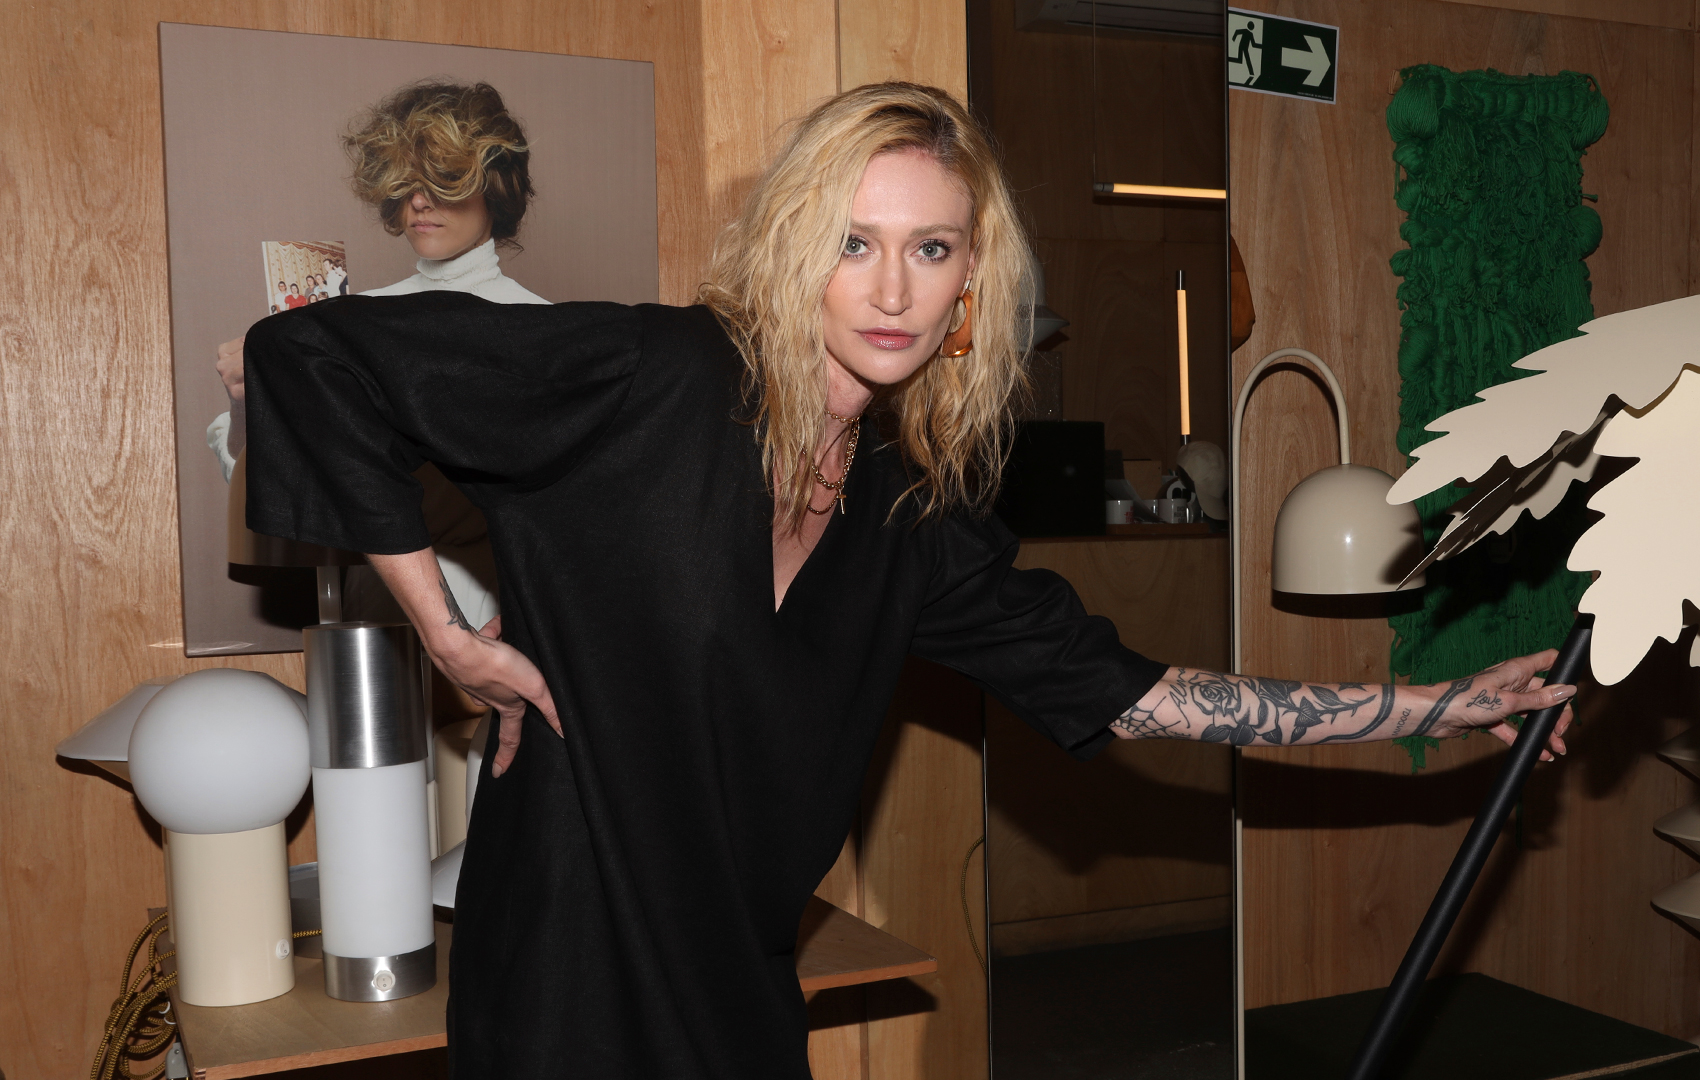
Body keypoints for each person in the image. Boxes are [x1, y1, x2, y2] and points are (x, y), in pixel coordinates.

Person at [241, 83, 1574, 1078]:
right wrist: (450, 640)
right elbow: (312, 362)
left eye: (931, 249)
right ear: (794, 247)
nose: (890, 289)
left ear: (969, 284)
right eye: (854, 241)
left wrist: (1431, 708)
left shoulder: (910, 512)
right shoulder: (655, 379)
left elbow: (1128, 690)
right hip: (564, 973)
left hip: (735, 980)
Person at [208, 81, 542, 635]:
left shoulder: (543, 329)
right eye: (406, 182)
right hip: (365, 627)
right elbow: (269, 489)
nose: (420, 202)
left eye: (444, 178)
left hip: (494, 620)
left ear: (494, 186)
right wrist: (248, 401)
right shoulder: (346, 321)